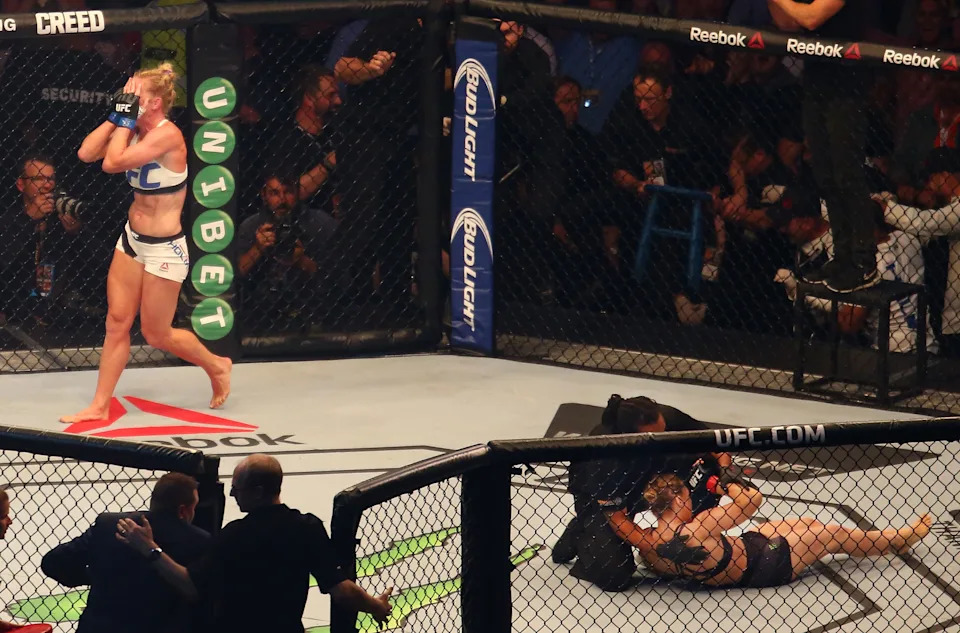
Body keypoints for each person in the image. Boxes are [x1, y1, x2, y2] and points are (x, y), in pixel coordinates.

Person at [60, 64, 232, 424]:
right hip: (132, 240)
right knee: (117, 321)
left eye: (132, 94)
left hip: (164, 246)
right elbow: (86, 153)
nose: (125, 98)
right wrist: (116, 115)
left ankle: (216, 364)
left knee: (157, 334)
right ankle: (100, 404)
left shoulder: (167, 136)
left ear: (154, 103)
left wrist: (123, 122)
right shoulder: (132, 126)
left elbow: (113, 162)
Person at [116, 454, 392, 632]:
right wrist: (376, 606)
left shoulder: (235, 536)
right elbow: (341, 590)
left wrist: (149, 549)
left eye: (238, 486)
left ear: (258, 491)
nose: (233, 493)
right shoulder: (306, 528)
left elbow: (191, 585)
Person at [551, 394, 732, 592]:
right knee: (615, 576)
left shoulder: (666, 416)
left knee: (710, 467)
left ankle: (689, 532)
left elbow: (714, 443)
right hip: (602, 501)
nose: (662, 435)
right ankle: (582, 532)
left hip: (652, 478)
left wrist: (725, 470)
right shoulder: (604, 452)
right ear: (631, 435)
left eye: (663, 430)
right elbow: (618, 518)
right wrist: (661, 549)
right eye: (654, 436)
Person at [621, 473, 931, 588]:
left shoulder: (649, 542)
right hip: (766, 562)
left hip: (746, 550)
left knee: (805, 523)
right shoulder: (701, 525)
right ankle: (896, 540)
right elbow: (752, 499)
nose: (692, 499)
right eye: (688, 495)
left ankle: (891, 540)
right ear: (676, 498)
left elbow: (664, 565)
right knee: (829, 534)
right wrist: (720, 482)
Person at [767, 0, 879, 293]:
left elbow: (813, 17)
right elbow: (787, 23)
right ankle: (842, 256)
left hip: (846, 79)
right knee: (824, 173)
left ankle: (864, 261)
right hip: (817, 75)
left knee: (847, 172)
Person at [41, 473, 210, 633]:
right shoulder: (197, 541)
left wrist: (95, 576)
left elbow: (53, 562)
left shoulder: (110, 525)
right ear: (183, 511)